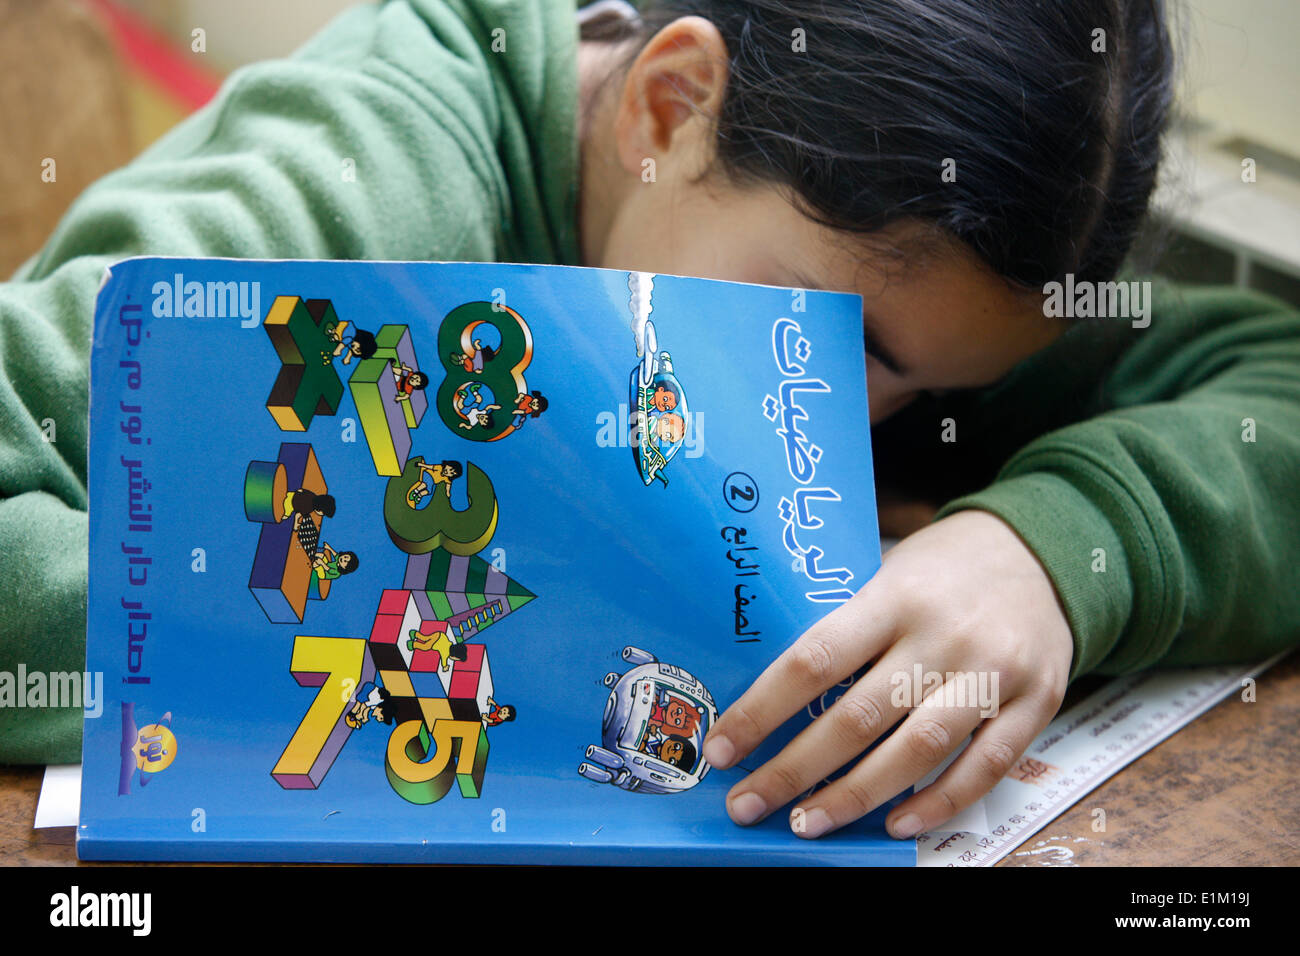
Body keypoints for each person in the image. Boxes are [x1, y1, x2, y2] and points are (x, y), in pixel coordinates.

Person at [0, 1, 1296, 852]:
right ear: (668, 109)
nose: (844, 425)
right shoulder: (378, 186)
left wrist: (1051, 553)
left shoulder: (886, 272)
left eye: (934, 398)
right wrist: (507, 654)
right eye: (835, 352)